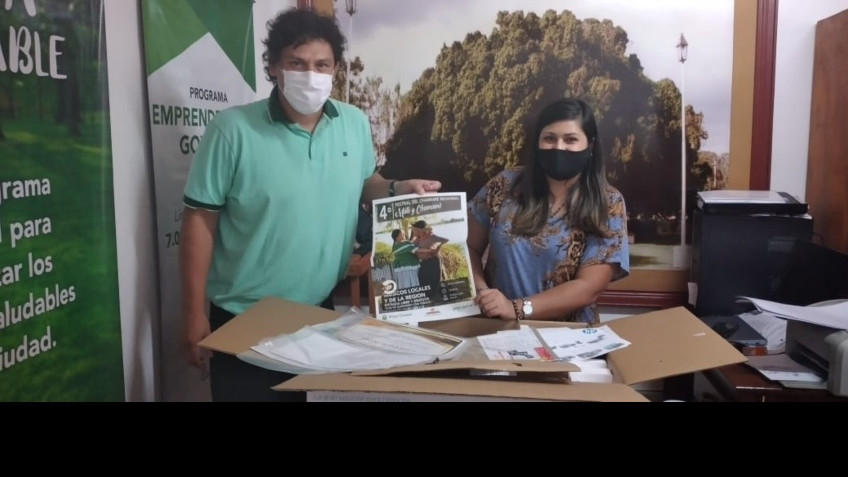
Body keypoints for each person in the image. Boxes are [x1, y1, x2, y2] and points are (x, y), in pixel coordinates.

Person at [179, 8, 440, 402]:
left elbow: (365, 184)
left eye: (322, 65)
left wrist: (399, 187)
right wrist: (193, 313)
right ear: (273, 67)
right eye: (297, 63)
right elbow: (199, 222)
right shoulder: (231, 131)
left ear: (336, 69)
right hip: (243, 316)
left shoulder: (353, 122)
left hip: (316, 313)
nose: (311, 74)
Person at [467, 98, 630, 324]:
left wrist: (516, 308)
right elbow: (468, 246)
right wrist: (483, 293)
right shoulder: (504, 184)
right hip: (496, 330)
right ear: (538, 142)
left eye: (570, 139)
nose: (558, 147)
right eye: (550, 138)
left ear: (590, 146)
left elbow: (589, 287)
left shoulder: (608, 203)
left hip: (569, 337)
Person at [411, 220, 448, 292]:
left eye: (414, 229)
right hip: (423, 262)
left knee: (435, 281)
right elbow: (411, 247)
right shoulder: (417, 239)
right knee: (423, 280)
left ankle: (437, 295)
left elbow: (445, 240)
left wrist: (438, 248)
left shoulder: (431, 236)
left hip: (432, 261)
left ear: (419, 229)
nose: (413, 230)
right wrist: (414, 236)